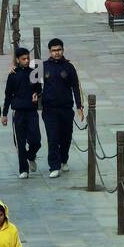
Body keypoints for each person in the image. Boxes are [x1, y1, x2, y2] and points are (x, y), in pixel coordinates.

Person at [41, 37, 84, 176]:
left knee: (66, 137)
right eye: (54, 50)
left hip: (66, 108)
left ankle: (63, 159)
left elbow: (76, 87)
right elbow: (31, 82)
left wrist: (79, 106)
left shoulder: (69, 67)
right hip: (49, 109)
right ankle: (54, 166)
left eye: (59, 50)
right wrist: (14, 68)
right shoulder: (43, 66)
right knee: (52, 138)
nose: (57, 53)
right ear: (49, 51)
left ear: (63, 50)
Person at [2, 47, 42, 178]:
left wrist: (36, 94)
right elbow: (8, 95)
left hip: (31, 111)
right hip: (18, 112)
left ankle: (31, 156)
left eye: (28, 58)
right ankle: (23, 169)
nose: (26, 61)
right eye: (23, 59)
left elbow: (39, 89)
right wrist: (4, 114)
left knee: (36, 140)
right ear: (17, 60)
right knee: (20, 142)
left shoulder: (34, 73)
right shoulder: (13, 75)